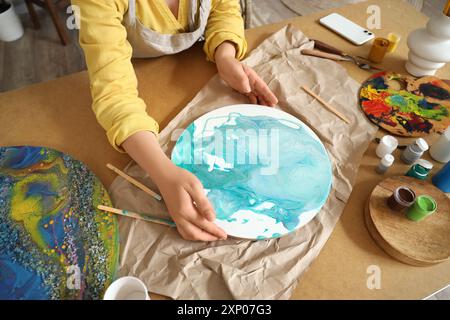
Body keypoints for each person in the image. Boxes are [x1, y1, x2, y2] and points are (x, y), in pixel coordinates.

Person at [73, 0, 278, 241]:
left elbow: (224, 8)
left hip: (193, 65)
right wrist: (163, 172)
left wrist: (225, 54)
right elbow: (114, 94)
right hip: (133, 72)